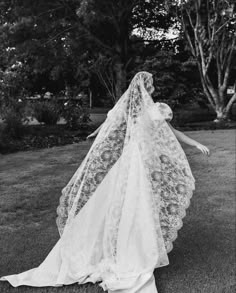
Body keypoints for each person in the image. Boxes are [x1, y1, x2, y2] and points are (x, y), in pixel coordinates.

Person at [0, 71, 210, 292]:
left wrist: (195, 144)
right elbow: (111, 123)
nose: (154, 87)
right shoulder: (136, 109)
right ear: (146, 87)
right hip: (135, 163)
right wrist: (95, 132)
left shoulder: (154, 110)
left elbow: (170, 131)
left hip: (140, 161)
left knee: (135, 205)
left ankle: (131, 247)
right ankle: (128, 251)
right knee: (131, 204)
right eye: (152, 84)